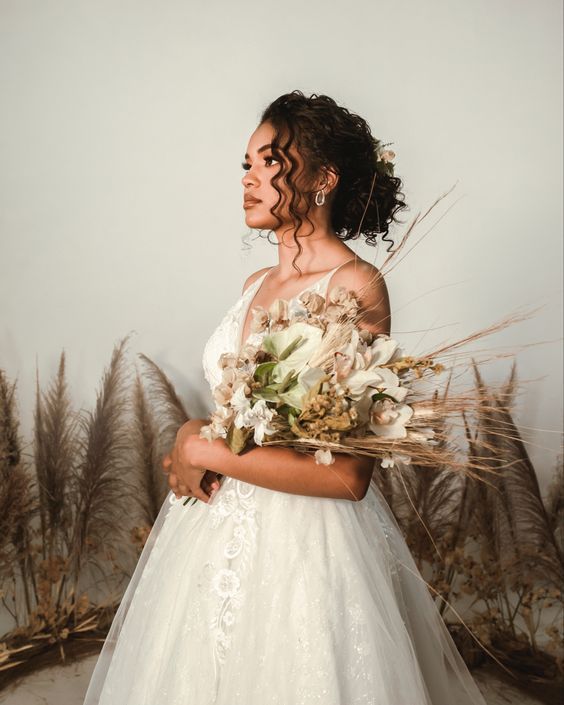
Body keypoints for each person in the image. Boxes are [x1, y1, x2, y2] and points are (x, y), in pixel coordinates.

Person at [83, 90, 488, 704]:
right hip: (212, 539)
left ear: (323, 178)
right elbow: (241, 416)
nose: (251, 179)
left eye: (271, 162)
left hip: (308, 550)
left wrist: (204, 451)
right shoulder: (254, 284)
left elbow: (350, 478)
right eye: (246, 164)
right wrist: (190, 431)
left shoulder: (354, 285)